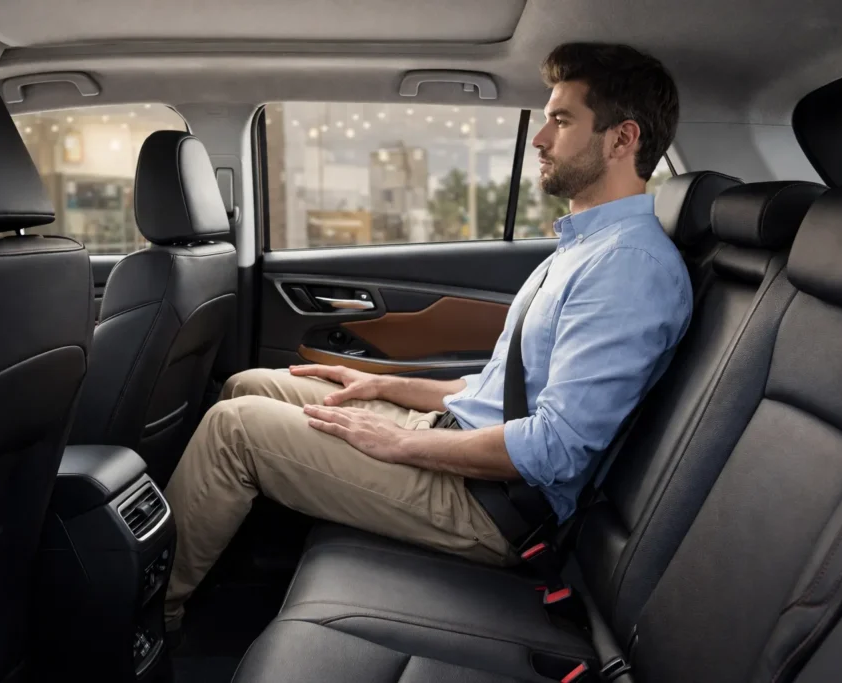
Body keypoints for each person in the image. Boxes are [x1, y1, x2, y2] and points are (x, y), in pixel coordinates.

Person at [163, 42, 691, 629]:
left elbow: (553, 450)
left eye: (561, 120)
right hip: (459, 444)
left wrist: (397, 444)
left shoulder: (629, 268)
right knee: (248, 385)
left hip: (488, 504)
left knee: (234, 430)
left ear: (623, 140)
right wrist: (379, 384)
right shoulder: (583, 248)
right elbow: (493, 389)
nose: (540, 139)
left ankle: (148, 622)